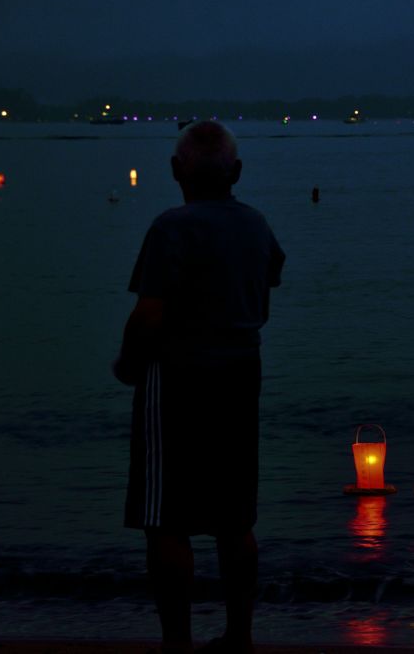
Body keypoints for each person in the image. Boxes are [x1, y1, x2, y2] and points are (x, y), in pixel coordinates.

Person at [114, 121, 285, 654]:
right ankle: (239, 635)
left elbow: (149, 313)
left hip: (179, 378)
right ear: (236, 172)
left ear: (175, 170)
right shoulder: (257, 226)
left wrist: (127, 363)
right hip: (240, 376)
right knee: (235, 517)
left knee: (167, 520)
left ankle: (177, 643)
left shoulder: (172, 228)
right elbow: (264, 297)